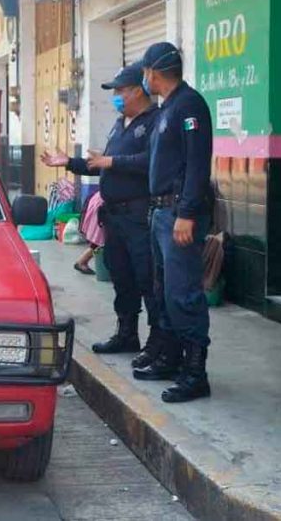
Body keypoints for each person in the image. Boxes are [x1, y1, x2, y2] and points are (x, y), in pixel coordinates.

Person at [110, 42, 214, 403]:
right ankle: (171, 359)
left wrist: (186, 213)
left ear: (153, 72)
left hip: (178, 214)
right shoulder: (168, 108)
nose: (143, 78)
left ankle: (195, 372)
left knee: (183, 292)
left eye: (144, 72)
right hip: (160, 212)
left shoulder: (189, 105)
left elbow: (197, 165)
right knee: (163, 291)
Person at [41, 61, 165, 357]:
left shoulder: (155, 122)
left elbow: (153, 163)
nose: (116, 97)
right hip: (115, 217)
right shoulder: (119, 124)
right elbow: (102, 165)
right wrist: (69, 163)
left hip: (139, 215)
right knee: (121, 278)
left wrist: (111, 162)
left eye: (121, 91)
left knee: (147, 279)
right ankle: (126, 334)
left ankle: (158, 343)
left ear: (138, 91)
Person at [73, 191, 105, 275]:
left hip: (99, 202)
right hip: (102, 205)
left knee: (100, 239)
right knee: (100, 239)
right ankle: (81, 262)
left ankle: (82, 261)